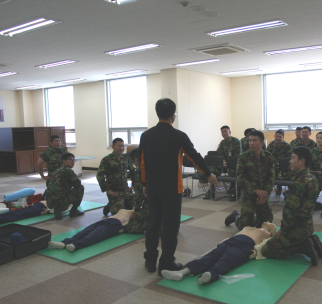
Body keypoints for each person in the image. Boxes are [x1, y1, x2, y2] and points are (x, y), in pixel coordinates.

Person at [139, 98, 218, 276]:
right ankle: (166, 263)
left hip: (152, 188)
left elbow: (142, 163)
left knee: (153, 224)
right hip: (172, 190)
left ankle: (150, 260)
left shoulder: (146, 135)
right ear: (173, 115)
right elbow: (194, 156)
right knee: (170, 227)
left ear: (157, 113)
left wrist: (144, 184)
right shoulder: (178, 136)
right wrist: (208, 174)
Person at [261, 147, 322, 266]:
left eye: (293, 158)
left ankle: (303, 248)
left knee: (267, 250)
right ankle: (309, 241)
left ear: (302, 161)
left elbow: (290, 211)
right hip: (308, 226)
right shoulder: (312, 178)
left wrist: (283, 230)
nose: (290, 161)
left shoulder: (299, 183)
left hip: (297, 230)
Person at [161, 222, 276, 284]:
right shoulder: (248, 227)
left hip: (245, 246)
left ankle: (210, 275)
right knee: (209, 257)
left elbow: (265, 245)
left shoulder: (268, 235)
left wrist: (257, 251)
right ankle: (181, 273)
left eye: (271, 223)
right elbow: (236, 235)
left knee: (227, 260)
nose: (268, 222)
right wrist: (223, 242)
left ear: (271, 230)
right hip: (231, 241)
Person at [225, 130, 275, 230]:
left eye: (254, 140)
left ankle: (253, 218)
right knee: (245, 227)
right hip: (249, 195)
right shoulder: (243, 157)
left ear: (261, 143)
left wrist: (265, 194)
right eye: (250, 140)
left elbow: (271, 177)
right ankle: (235, 217)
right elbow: (240, 178)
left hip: (263, 195)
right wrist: (256, 191)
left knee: (267, 223)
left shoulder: (269, 157)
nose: (251, 143)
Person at [47, 207, 149, 252]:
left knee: (94, 236)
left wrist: (122, 228)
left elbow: (132, 227)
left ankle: (76, 245)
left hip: (115, 224)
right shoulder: (124, 209)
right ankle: (64, 243)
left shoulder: (135, 213)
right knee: (85, 231)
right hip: (106, 220)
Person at [97, 138, 136, 216]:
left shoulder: (126, 158)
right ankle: (110, 206)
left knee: (136, 208)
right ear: (113, 146)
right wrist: (108, 190)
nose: (121, 148)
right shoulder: (107, 159)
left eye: (122, 146)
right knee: (119, 214)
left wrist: (133, 185)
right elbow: (100, 175)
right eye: (119, 146)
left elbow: (133, 171)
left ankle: (112, 204)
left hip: (126, 190)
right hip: (114, 191)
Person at [203, 125, 242, 200]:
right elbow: (218, 154)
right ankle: (212, 189)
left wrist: (228, 163)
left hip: (234, 165)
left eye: (225, 131)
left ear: (229, 132)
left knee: (233, 170)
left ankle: (234, 189)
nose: (224, 133)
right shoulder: (222, 143)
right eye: (222, 132)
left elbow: (238, 156)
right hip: (223, 165)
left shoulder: (236, 141)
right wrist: (222, 161)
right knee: (212, 169)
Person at [43, 153, 85, 220]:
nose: (73, 161)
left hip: (49, 202)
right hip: (60, 202)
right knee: (80, 188)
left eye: (74, 160)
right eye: (71, 159)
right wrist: (75, 177)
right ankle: (73, 211)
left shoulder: (57, 170)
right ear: (64, 161)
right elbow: (78, 184)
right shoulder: (68, 170)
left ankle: (57, 210)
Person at [267, 129, 292, 195]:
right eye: (277, 136)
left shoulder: (287, 146)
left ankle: (289, 193)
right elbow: (267, 155)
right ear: (274, 136)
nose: (278, 138)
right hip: (273, 165)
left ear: (283, 137)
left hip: (284, 167)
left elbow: (289, 158)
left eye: (280, 137)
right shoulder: (271, 144)